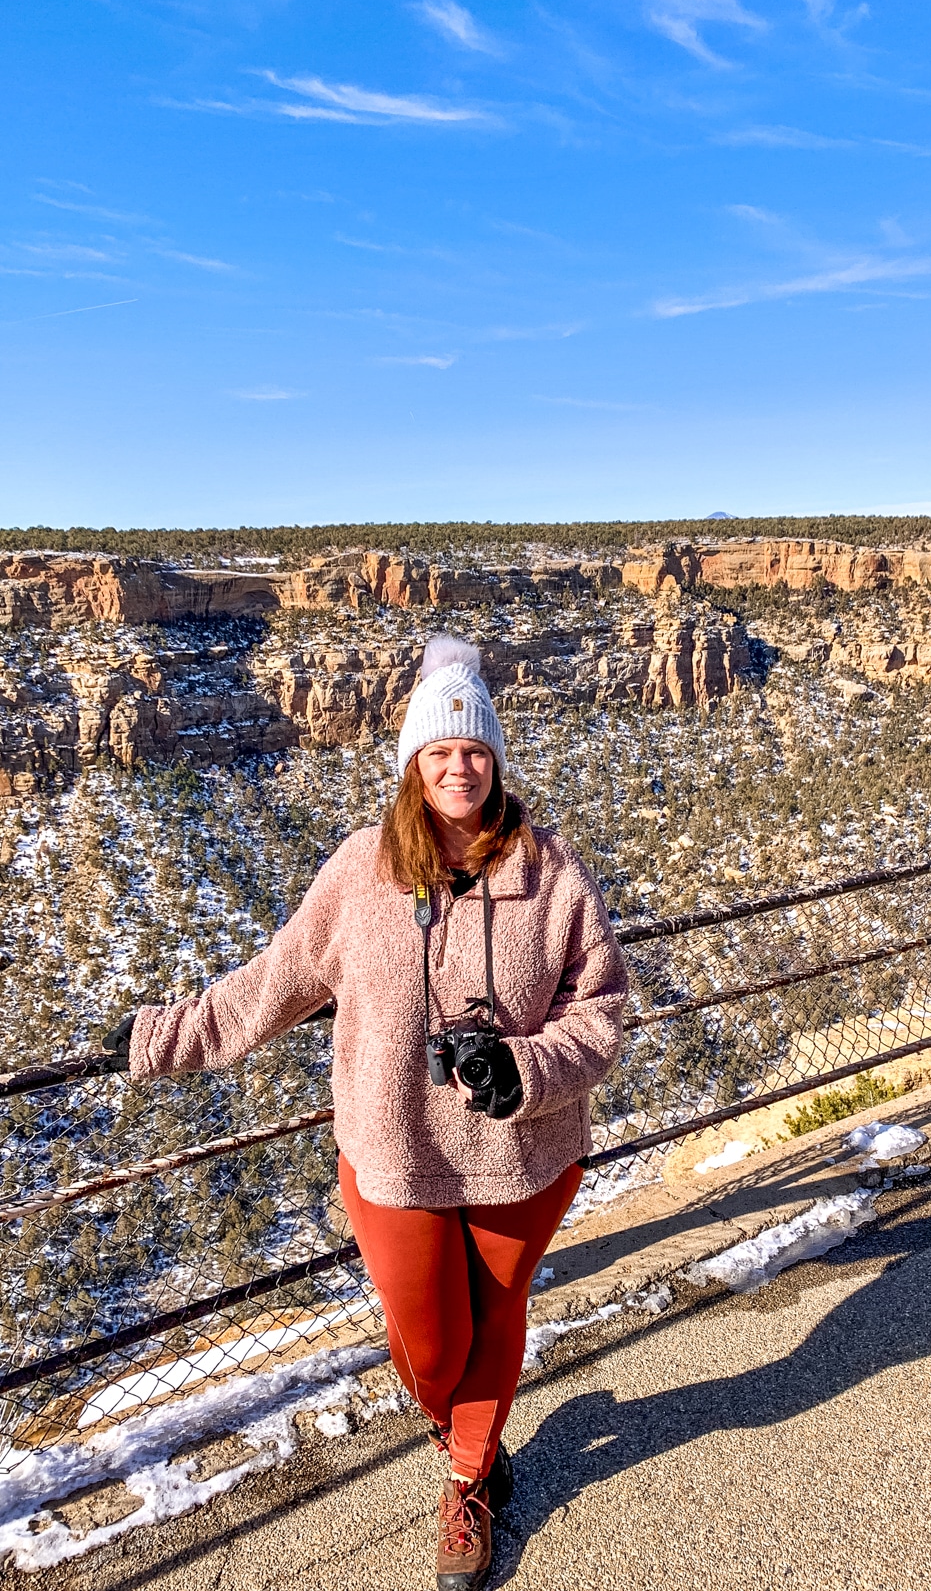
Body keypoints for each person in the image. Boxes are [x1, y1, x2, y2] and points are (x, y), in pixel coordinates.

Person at [106, 635, 628, 1591]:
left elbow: (602, 1008)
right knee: (433, 1345)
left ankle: (471, 1478)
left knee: (497, 1315)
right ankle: (464, 1422)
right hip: (395, 1153)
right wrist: (157, 1039)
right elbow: (271, 987)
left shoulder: (552, 870)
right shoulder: (358, 872)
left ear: (497, 759)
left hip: (525, 1154)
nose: (459, 767)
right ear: (412, 763)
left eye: (475, 750)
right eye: (440, 751)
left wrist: (530, 1066)